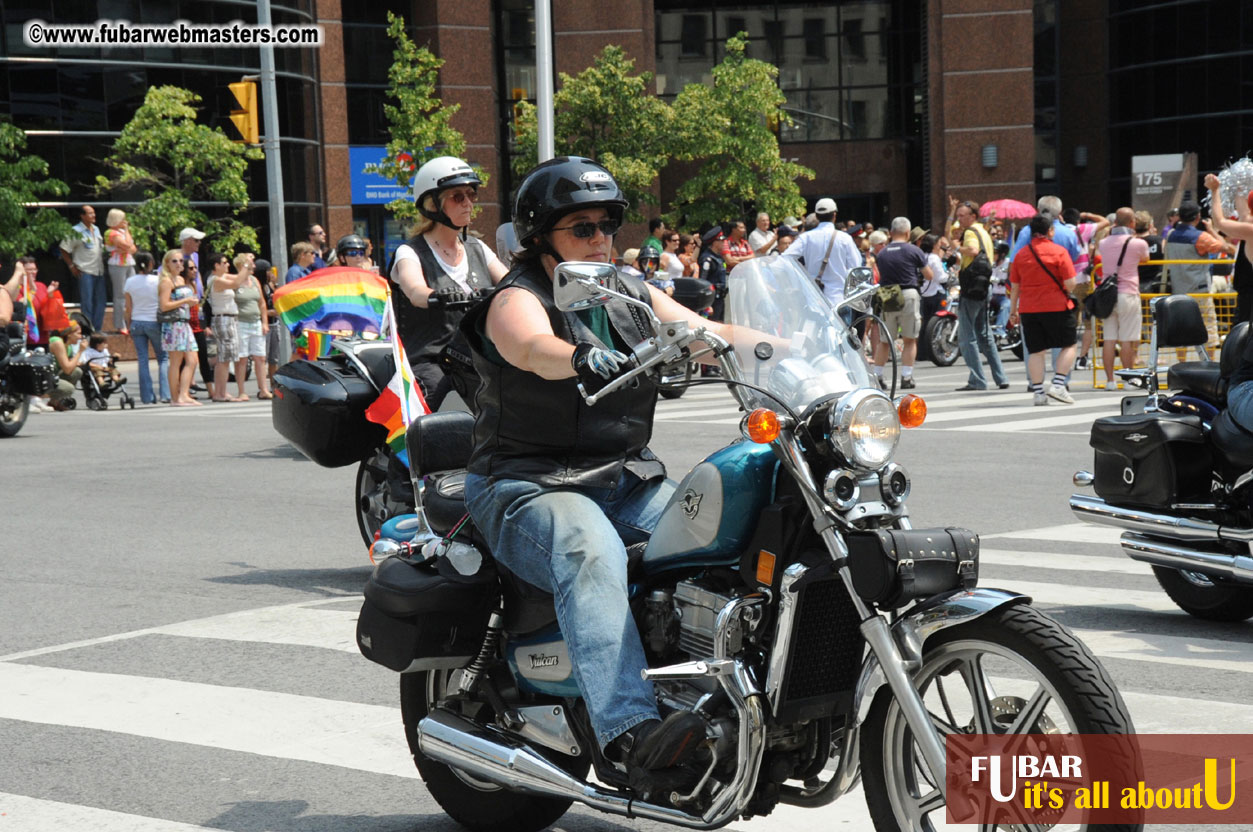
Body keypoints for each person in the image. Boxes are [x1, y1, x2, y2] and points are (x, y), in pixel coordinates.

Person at [460, 156, 769, 791]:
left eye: (609, 225)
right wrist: (580, 356)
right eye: (582, 227)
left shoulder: (625, 290)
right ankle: (630, 733)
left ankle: (722, 697)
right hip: (526, 484)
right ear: (541, 236)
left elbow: (704, 331)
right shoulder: (516, 297)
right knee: (588, 546)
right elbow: (529, 348)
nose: (600, 239)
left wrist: (791, 347)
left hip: (624, 478)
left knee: (726, 526)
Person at [389, 155, 508, 410]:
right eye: (457, 197)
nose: (468, 203)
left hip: (477, 355)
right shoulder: (410, 252)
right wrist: (437, 295)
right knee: (438, 396)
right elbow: (414, 289)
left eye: (471, 194)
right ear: (432, 204)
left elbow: (511, 282)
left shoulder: (478, 248)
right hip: (432, 360)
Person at [1008, 215, 1078, 406]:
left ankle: (1038, 392)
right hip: (1056, 306)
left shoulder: (1021, 255)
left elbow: (1015, 287)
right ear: (1051, 231)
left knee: (1036, 351)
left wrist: (1013, 311)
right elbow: (1070, 283)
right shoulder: (1059, 252)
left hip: (1029, 308)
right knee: (1069, 345)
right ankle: (1058, 384)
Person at [950, 199, 1009, 391]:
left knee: (968, 337)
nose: (959, 220)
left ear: (973, 216)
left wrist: (958, 248)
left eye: (962, 216)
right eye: (958, 216)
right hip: (985, 286)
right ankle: (1001, 377)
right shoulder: (983, 231)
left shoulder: (970, 233)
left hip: (971, 287)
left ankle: (977, 379)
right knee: (985, 334)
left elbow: (973, 251)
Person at [872, 217, 932, 390]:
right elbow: (929, 275)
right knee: (909, 339)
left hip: (888, 294)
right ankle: (906, 377)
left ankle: (878, 375)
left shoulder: (882, 253)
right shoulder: (913, 250)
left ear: (890, 233)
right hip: (908, 293)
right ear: (907, 233)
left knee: (885, 340)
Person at [1095, 207, 1150, 389]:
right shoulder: (1138, 243)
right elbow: (1145, 260)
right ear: (1132, 223)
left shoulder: (1103, 243)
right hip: (1129, 292)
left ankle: (1110, 380)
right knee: (1128, 339)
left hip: (1108, 295)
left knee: (1109, 339)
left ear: (1115, 222)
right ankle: (1128, 379)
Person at [780, 198, 862, 309]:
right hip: (839, 301)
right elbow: (856, 266)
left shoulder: (806, 238)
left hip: (815, 301)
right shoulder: (845, 239)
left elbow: (784, 259)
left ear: (817, 216)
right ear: (834, 215)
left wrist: (800, 280)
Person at [123, 250, 170, 405]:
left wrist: (128, 326)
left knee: (142, 359)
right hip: (154, 321)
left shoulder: (130, 282)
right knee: (162, 358)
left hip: (137, 321)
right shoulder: (157, 280)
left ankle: (147, 397)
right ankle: (165, 394)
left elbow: (128, 308)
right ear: (151, 263)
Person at [157, 249, 201, 407]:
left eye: (181, 261)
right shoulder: (167, 281)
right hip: (173, 325)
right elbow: (164, 305)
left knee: (192, 359)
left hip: (184, 323)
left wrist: (191, 301)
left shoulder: (181, 280)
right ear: (167, 263)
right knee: (176, 361)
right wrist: (185, 301)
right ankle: (176, 397)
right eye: (174, 261)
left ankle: (183, 393)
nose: (178, 264)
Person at [206, 255, 248, 402]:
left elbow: (239, 277)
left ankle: (221, 391)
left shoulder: (221, 277)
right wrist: (246, 266)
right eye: (224, 263)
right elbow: (237, 282)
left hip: (229, 319)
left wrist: (246, 265)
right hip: (223, 319)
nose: (227, 265)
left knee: (225, 358)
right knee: (224, 358)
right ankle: (220, 393)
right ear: (216, 265)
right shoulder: (215, 280)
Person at [60, 205, 106, 332]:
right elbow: (64, 248)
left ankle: (97, 330)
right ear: (82, 216)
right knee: (87, 303)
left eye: (94, 213)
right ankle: (88, 330)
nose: (93, 215)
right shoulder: (75, 230)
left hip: (99, 270)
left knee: (100, 303)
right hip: (85, 271)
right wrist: (71, 266)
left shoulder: (96, 229)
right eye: (90, 213)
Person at [233, 257, 272, 399]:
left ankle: (263, 389)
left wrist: (264, 322)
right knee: (242, 358)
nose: (253, 266)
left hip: (255, 322)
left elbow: (262, 302)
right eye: (249, 264)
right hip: (241, 322)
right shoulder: (236, 281)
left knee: (260, 357)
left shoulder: (255, 281)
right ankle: (241, 391)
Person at [104, 209, 137, 333]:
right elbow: (128, 245)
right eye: (122, 219)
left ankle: (130, 321)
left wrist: (127, 231)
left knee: (132, 292)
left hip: (129, 263)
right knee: (120, 295)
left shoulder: (123, 231)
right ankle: (120, 324)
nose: (124, 222)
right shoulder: (110, 232)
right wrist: (126, 248)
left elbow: (133, 248)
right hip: (117, 265)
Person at [47, 323, 86, 410]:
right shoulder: (57, 341)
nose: (80, 337)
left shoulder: (68, 347)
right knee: (68, 389)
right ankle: (35, 397)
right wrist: (80, 351)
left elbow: (68, 368)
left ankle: (54, 402)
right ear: (69, 334)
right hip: (44, 378)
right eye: (78, 333)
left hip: (54, 375)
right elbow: (67, 369)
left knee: (77, 371)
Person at [697, 227, 728, 320]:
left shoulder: (719, 258)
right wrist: (707, 305)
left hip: (719, 299)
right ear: (714, 242)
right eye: (721, 240)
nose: (724, 243)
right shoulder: (707, 259)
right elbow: (703, 282)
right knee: (709, 328)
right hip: (711, 301)